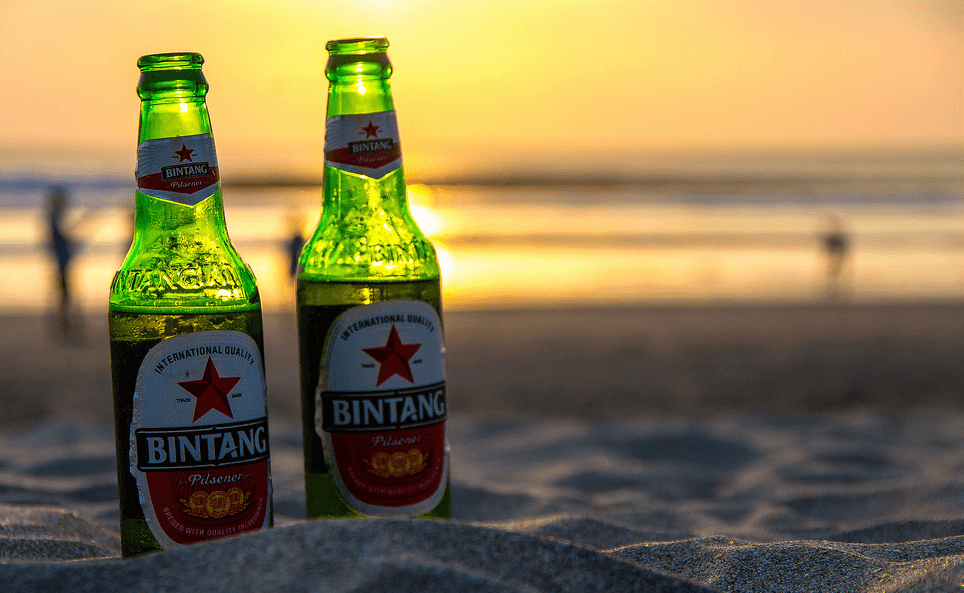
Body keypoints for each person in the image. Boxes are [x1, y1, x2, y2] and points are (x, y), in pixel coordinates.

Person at [820, 215, 850, 299]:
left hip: (836, 255)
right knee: (834, 271)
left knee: (834, 271)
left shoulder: (835, 235)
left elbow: (843, 245)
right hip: (835, 255)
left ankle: (835, 288)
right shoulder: (834, 235)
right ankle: (834, 288)